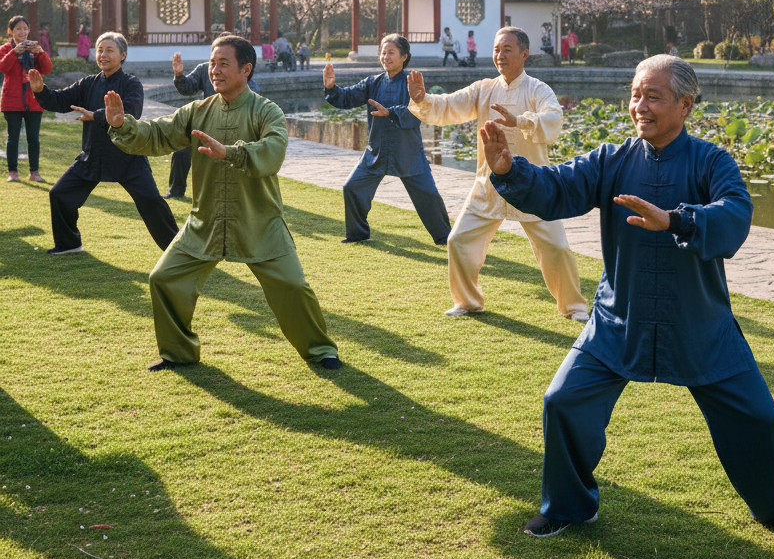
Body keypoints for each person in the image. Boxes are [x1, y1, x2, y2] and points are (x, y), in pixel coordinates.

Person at [481, 54, 774, 541]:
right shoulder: (611, 160)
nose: (640, 105)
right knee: (563, 401)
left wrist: (678, 220)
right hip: (620, 318)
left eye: (653, 96)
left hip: (700, 322)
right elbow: (557, 187)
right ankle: (569, 506)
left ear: (685, 105)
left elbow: (735, 215)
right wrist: (510, 170)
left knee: (758, 418)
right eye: (636, 94)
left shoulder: (712, 161)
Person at [104, 35, 342, 372]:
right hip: (206, 220)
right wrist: (121, 125)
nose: (213, 71)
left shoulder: (266, 111)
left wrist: (230, 152)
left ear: (246, 69)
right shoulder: (196, 111)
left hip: (259, 221)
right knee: (163, 278)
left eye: (223, 64)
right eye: (212, 63)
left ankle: (321, 351)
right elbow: (158, 134)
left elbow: (273, 152)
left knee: (292, 285)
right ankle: (178, 353)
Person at [408, 27, 589, 321]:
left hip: (534, 184)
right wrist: (422, 99)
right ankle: (467, 301)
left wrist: (519, 121)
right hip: (489, 183)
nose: (500, 56)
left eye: (507, 49)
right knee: (459, 241)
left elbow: (554, 120)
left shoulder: (538, 89)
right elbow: (450, 105)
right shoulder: (484, 88)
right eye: (496, 49)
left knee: (556, 247)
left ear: (524, 54)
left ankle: (575, 307)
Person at [29, 31, 179, 255]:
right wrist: (41, 90)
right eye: (100, 50)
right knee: (60, 194)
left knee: (152, 203)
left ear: (122, 55)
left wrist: (96, 115)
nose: (103, 54)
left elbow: (131, 112)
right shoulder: (88, 83)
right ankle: (69, 244)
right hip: (93, 156)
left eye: (109, 50)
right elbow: (60, 101)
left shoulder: (131, 83)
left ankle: (177, 251)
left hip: (127, 156)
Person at [323, 33, 450, 245]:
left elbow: (416, 113)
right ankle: (358, 235)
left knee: (429, 195)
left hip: (407, 152)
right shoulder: (372, 82)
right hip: (376, 151)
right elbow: (346, 97)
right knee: (352, 187)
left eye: (391, 52)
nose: (386, 56)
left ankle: (445, 238)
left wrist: (390, 112)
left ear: (404, 57)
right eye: (383, 52)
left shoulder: (413, 83)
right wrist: (331, 88)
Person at [164, 49, 260, 199]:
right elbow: (187, 88)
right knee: (181, 150)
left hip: (233, 128)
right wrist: (179, 75)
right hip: (206, 124)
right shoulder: (205, 69)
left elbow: (253, 110)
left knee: (237, 155)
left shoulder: (245, 80)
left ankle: (244, 194)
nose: (216, 69)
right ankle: (175, 191)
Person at [1, 15, 52, 183]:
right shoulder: (5, 48)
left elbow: (46, 69)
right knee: (13, 137)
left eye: (25, 28)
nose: (22, 32)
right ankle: (13, 172)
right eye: (18, 29)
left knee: (34, 139)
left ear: (29, 30)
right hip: (12, 100)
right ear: (10, 31)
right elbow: (3, 67)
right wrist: (14, 52)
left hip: (34, 99)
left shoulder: (34, 48)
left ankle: (34, 172)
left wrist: (41, 53)